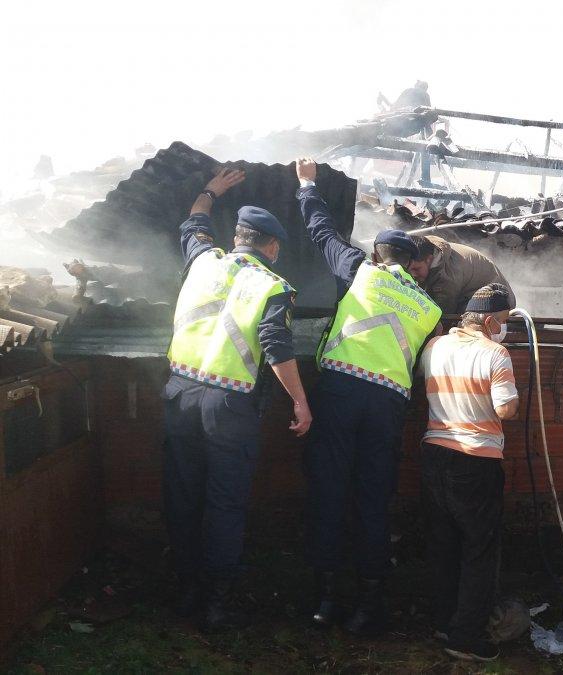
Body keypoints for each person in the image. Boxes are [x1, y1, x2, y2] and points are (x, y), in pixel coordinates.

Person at [294, 158, 442, 637]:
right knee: (373, 500)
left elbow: (322, 233)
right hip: (388, 407)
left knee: (328, 491)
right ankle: (371, 603)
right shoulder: (429, 307)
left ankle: (326, 599)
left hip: (340, 393)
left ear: (378, 255)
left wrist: (306, 186)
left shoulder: (360, 272)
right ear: (414, 267)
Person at [162, 167, 312, 632]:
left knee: (184, 497)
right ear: (272, 247)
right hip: (228, 408)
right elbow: (276, 346)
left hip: (178, 396)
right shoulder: (272, 286)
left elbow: (193, 223)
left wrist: (211, 190)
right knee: (224, 505)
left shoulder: (203, 259)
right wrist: (301, 402)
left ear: (237, 237)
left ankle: (185, 591)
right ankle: (218, 604)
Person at [418, 283, 519, 662]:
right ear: (490, 320)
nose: (504, 328)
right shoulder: (496, 353)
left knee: (443, 544)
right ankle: (465, 636)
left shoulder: (434, 347)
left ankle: (444, 622)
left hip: (434, 454)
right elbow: (506, 409)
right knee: (479, 550)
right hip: (476, 462)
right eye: (504, 322)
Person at [407, 235, 515, 315]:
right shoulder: (425, 249)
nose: (412, 274)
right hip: (468, 297)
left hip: (497, 301)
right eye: (409, 269)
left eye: (416, 269)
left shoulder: (447, 275)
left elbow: (443, 313)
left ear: (429, 259)